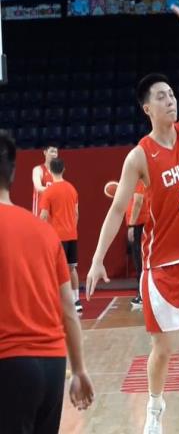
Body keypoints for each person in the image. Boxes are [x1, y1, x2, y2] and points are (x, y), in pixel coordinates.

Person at [86, 5, 179, 434]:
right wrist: (97, 258)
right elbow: (118, 209)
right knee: (163, 348)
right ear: (146, 108)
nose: (171, 100)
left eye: (172, 94)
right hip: (162, 266)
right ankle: (154, 410)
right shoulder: (139, 156)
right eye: (162, 96)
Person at [0, 130, 94, 433]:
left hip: (9, 364)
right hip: (53, 366)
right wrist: (78, 370)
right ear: (13, 174)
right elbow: (68, 310)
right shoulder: (45, 232)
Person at [40, 158, 81, 313]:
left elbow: (44, 216)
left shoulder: (48, 192)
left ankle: (58, 302)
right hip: (72, 235)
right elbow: (76, 213)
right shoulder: (72, 189)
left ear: (50, 171)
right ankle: (76, 300)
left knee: (56, 270)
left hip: (57, 237)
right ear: (64, 169)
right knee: (72, 268)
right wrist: (71, 228)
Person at [126, 180, 149, 308]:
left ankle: (143, 294)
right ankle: (144, 293)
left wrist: (132, 225)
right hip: (140, 224)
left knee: (140, 260)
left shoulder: (139, 181)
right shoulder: (135, 182)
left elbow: (138, 201)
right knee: (141, 259)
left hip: (140, 224)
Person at [32, 143, 58, 215]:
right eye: (52, 151)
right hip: (39, 211)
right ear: (45, 152)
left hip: (52, 212)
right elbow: (38, 188)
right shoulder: (38, 169)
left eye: (56, 152)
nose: (54, 154)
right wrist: (56, 190)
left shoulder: (57, 173)